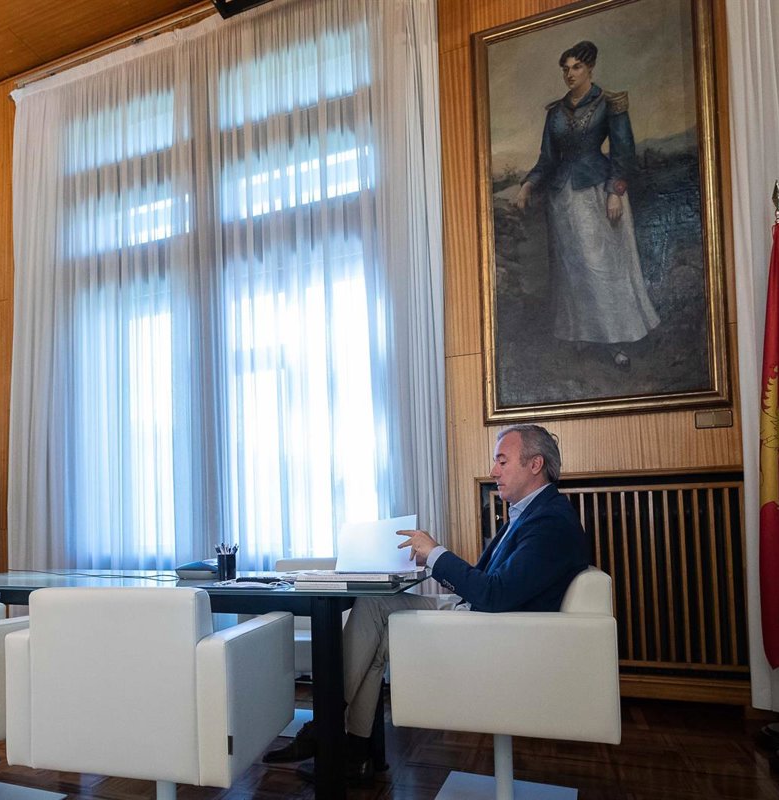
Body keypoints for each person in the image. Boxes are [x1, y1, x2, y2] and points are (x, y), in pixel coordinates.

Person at [265, 424, 590, 782]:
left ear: (535, 464)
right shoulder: (532, 513)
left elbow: (494, 594)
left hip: (497, 636)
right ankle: (355, 751)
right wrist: (433, 559)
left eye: (502, 461)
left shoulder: (549, 521)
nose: (493, 471)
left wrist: (435, 553)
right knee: (377, 626)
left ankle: (325, 728)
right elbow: (494, 584)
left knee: (374, 610)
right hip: (492, 623)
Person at [512, 40, 658, 370]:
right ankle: (583, 333)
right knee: (573, 269)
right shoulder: (555, 113)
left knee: (603, 267)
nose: (570, 74)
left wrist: (615, 191)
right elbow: (547, 158)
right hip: (563, 199)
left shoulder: (609, 104)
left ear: (590, 68)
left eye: (576, 67)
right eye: (565, 69)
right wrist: (527, 185)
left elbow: (623, 152)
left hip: (598, 193)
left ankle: (616, 341)